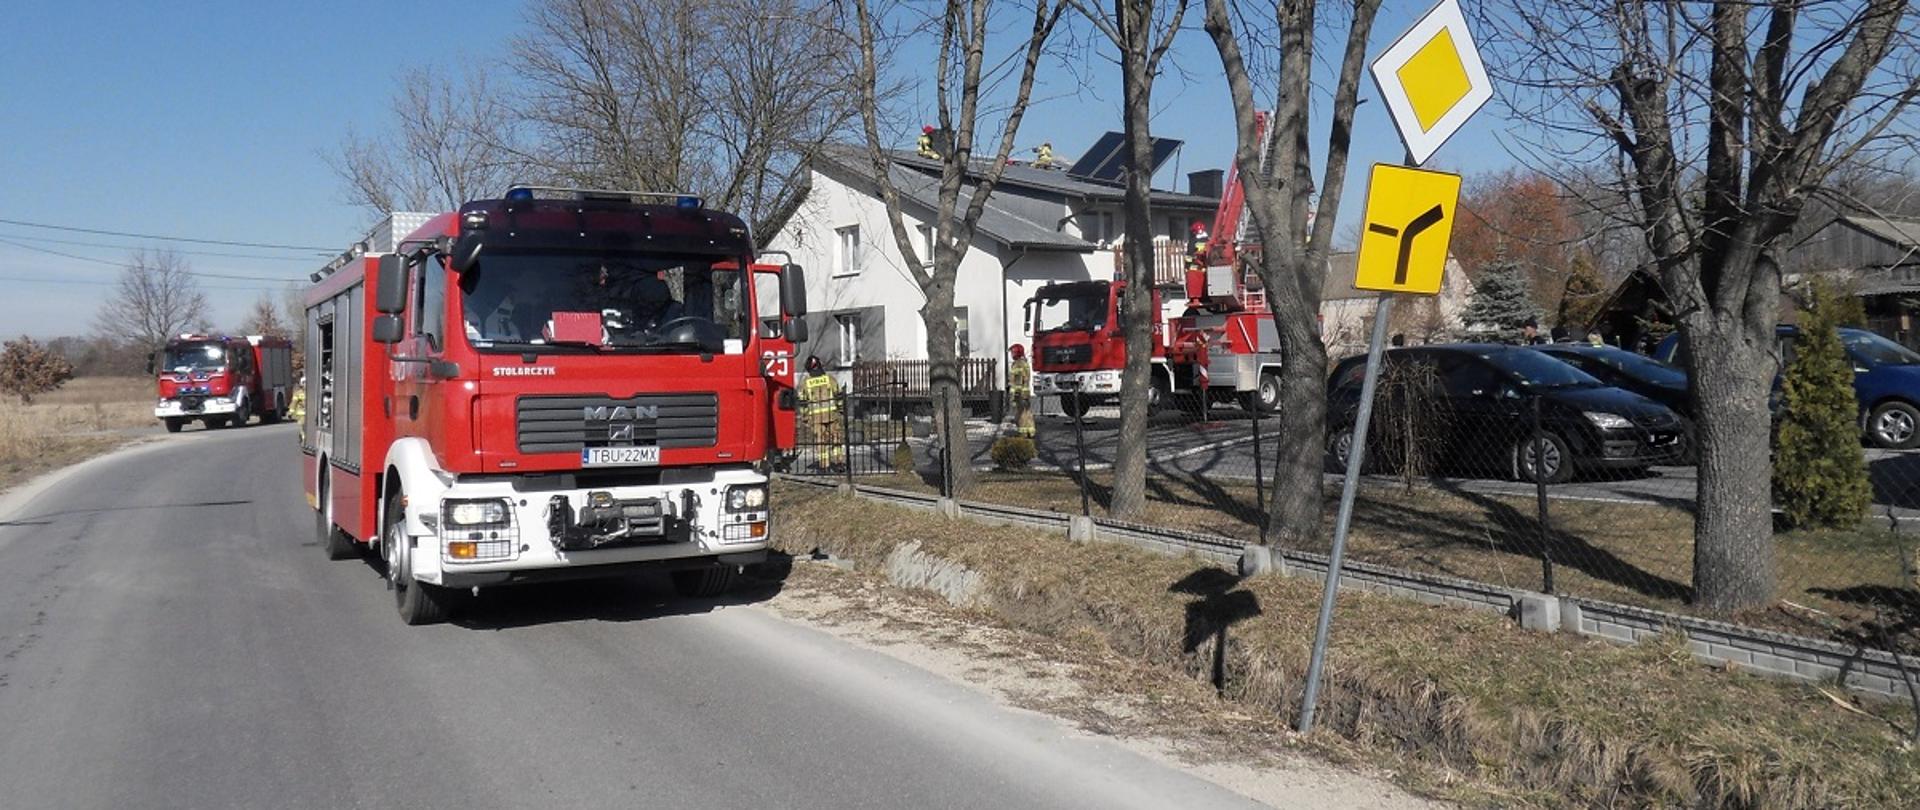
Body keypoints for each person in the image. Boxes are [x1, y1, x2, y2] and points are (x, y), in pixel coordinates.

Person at [801, 357, 845, 472]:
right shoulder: (830, 379)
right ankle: (839, 463)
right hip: (832, 415)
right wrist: (841, 409)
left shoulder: (806, 383)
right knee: (836, 439)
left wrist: (805, 417)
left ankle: (824, 466)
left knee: (821, 442)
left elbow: (802, 402)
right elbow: (839, 395)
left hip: (816, 419)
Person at [1007, 344, 1034, 438]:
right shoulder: (1025, 363)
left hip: (1020, 393)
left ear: (1016, 352)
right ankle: (1030, 431)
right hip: (1026, 393)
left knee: (1021, 414)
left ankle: (1023, 433)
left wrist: (1015, 395)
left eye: (1012, 352)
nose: (1011, 354)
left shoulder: (1017, 364)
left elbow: (1018, 380)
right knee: (1027, 412)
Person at [288, 376, 307, 444]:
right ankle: (303, 438)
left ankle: (303, 436)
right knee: (303, 426)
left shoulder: (311, 392)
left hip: (310, 413)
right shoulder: (298, 393)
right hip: (301, 414)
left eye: (306, 382)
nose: (305, 384)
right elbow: (294, 403)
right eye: (303, 383)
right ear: (301, 384)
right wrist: (290, 412)